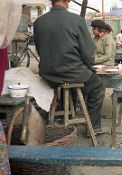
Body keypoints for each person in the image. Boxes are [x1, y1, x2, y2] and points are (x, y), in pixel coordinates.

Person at [34, 0, 105, 135]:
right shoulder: (76, 20)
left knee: (73, 84)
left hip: (48, 75)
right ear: (66, 1)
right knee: (98, 87)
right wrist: (89, 65)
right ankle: (93, 127)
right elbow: (88, 53)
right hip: (71, 72)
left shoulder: (39, 22)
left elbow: (39, 49)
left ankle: (69, 116)